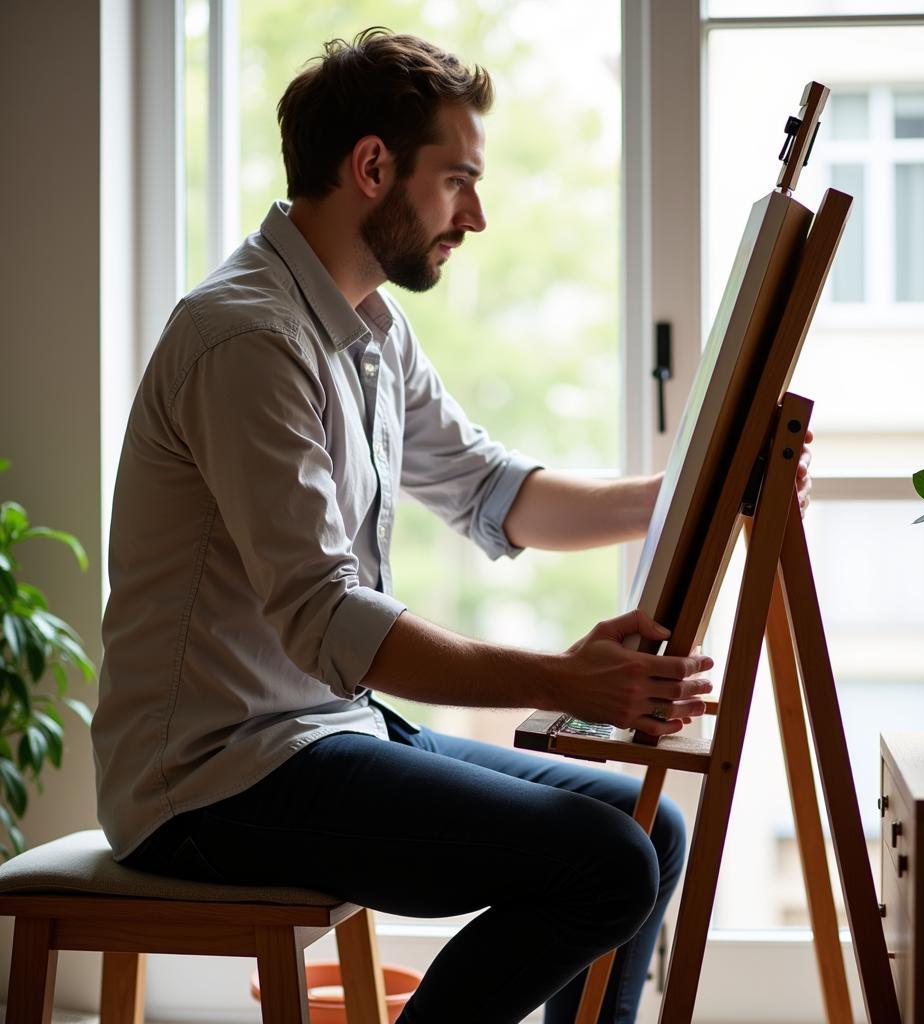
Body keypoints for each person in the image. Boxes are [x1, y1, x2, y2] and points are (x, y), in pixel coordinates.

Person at [92, 28, 811, 1024]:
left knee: (649, 831)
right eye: (457, 181)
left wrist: (696, 484)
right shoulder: (246, 337)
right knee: (604, 862)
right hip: (210, 781)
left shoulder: (371, 330)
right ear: (373, 166)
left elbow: (494, 489)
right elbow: (326, 619)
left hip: (319, 733)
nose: (473, 215)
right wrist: (560, 677)